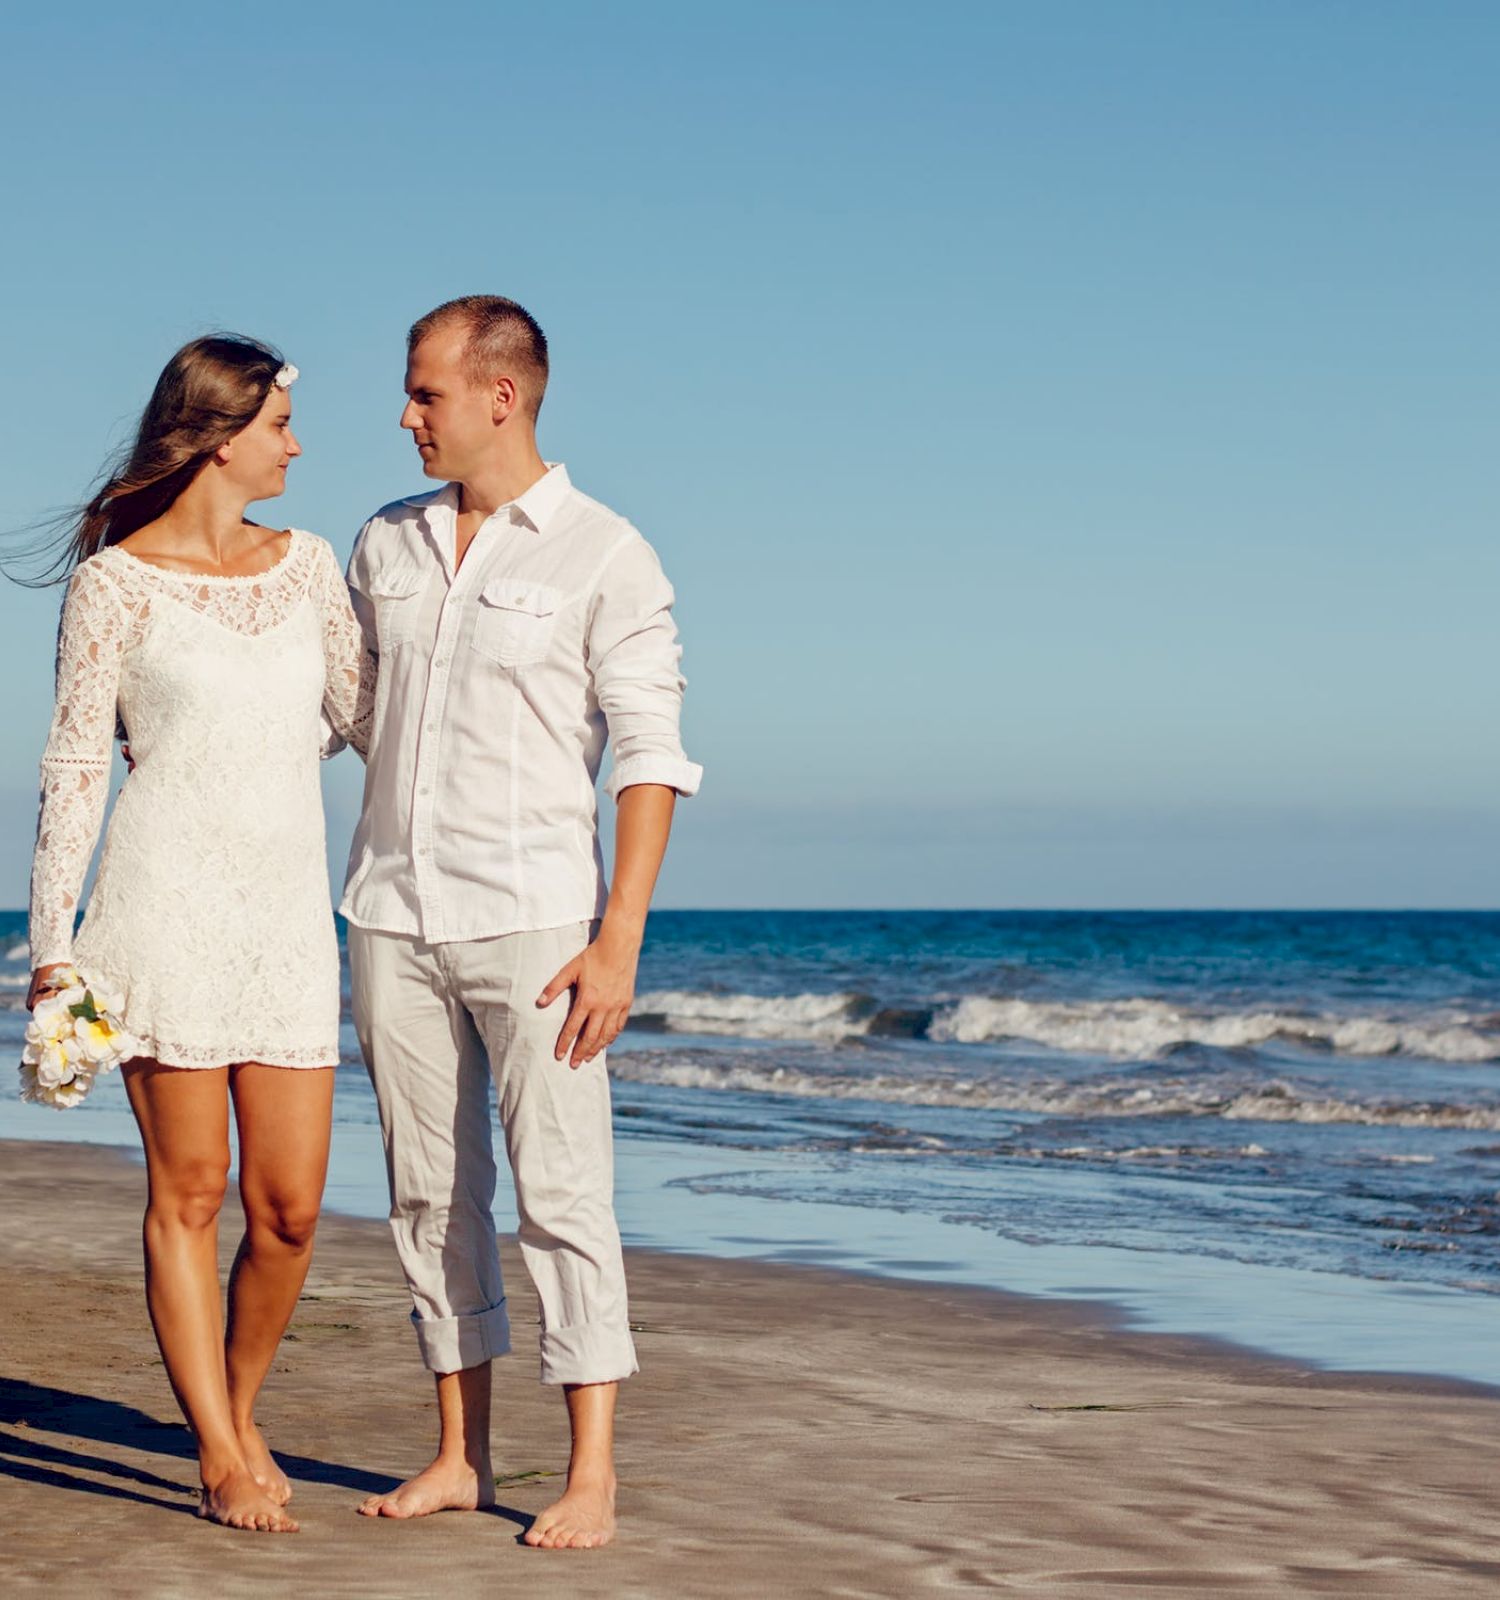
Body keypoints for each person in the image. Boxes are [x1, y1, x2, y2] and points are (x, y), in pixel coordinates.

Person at [338, 295, 702, 1550]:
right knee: (427, 1196)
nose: (405, 415)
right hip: (389, 911)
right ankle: (459, 1452)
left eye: (424, 392)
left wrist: (622, 935)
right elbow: (340, 710)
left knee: (562, 1195)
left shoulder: (608, 552)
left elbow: (649, 756)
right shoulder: (382, 544)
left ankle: (590, 1469)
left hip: (542, 927)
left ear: (502, 395)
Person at [23, 334, 375, 1533]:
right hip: (159, 905)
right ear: (220, 435)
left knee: (289, 1209)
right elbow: (75, 762)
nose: (295, 443)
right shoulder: (114, 582)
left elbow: (357, 718)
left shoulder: (311, 563)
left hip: (283, 917)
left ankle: (230, 1405)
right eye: (280, 421)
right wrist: (52, 947)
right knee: (192, 1188)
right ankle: (223, 1450)